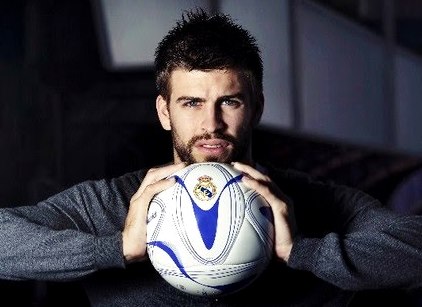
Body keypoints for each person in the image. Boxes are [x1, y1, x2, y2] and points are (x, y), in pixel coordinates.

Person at [1, 8, 421, 307]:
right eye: (190, 103)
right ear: (165, 112)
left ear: (256, 107)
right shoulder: (116, 204)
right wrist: (116, 248)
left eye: (230, 102)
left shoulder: (313, 202)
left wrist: (303, 253)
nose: (212, 123)